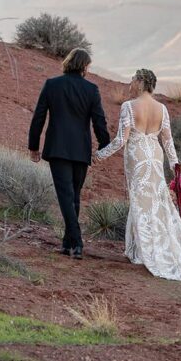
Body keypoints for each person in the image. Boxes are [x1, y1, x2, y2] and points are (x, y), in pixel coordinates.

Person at [94, 68, 181, 285]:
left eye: (132, 80)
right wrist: (176, 166)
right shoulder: (162, 109)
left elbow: (122, 139)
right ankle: (144, 248)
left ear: (140, 82)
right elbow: (167, 141)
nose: (130, 84)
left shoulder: (128, 106)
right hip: (155, 156)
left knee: (140, 201)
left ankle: (143, 251)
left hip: (138, 156)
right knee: (157, 202)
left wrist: (99, 155)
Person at [28, 47, 110, 259]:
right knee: (73, 196)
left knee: (67, 196)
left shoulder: (52, 85)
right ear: (84, 66)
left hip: (57, 148)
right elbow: (99, 121)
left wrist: (33, 145)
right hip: (81, 150)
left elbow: (39, 117)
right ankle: (71, 243)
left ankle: (74, 241)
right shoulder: (91, 90)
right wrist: (104, 146)